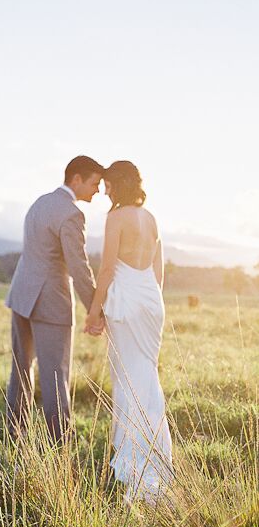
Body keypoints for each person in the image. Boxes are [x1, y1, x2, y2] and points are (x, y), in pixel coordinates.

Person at [85, 161, 173, 504]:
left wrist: (94, 311)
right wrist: (152, 302)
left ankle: (135, 464)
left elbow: (107, 269)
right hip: (151, 302)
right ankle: (156, 458)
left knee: (127, 379)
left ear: (117, 185)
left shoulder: (116, 218)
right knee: (146, 377)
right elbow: (158, 270)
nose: (104, 190)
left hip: (125, 302)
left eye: (108, 184)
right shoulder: (151, 218)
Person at [5, 155, 105, 442]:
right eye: (94, 183)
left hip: (21, 295)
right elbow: (78, 266)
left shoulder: (39, 202)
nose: (96, 191)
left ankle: (14, 435)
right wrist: (94, 309)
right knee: (56, 375)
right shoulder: (72, 213)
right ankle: (59, 443)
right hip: (50, 301)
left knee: (21, 369)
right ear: (76, 179)